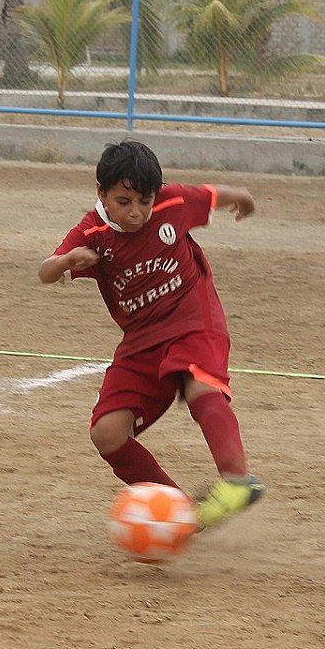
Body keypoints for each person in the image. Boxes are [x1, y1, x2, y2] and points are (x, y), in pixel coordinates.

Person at [38, 140, 264, 530]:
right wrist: (65, 262)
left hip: (194, 318)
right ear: (101, 194)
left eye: (144, 201)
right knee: (107, 434)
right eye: (124, 201)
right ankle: (178, 515)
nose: (137, 212)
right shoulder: (91, 233)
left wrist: (241, 196)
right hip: (141, 338)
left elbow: (210, 195)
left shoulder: (172, 203)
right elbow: (44, 271)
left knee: (201, 389)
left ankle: (237, 480)